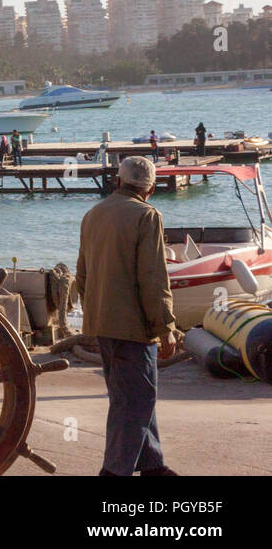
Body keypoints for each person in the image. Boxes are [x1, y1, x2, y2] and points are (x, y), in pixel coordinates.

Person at [76, 156, 179, 477]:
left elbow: (82, 275)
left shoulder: (93, 214)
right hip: (133, 327)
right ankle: (113, 471)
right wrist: (166, 327)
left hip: (103, 323)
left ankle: (153, 466)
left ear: (119, 182)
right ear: (150, 188)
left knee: (128, 395)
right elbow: (153, 278)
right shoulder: (147, 216)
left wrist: (94, 315)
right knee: (136, 400)